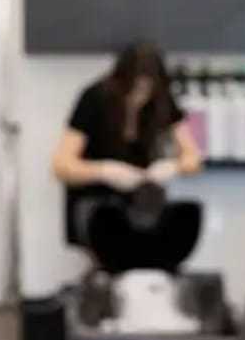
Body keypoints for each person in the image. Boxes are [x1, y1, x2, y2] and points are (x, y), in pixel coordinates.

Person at [51, 42, 202, 246]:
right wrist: (103, 171)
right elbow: (61, 166)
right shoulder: (94, 98)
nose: (138, 98)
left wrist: (174, 167)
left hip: (141, 205)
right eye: (133, 89)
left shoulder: (161, 101)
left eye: (147, 90)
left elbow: (194, 159)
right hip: (95, 206)